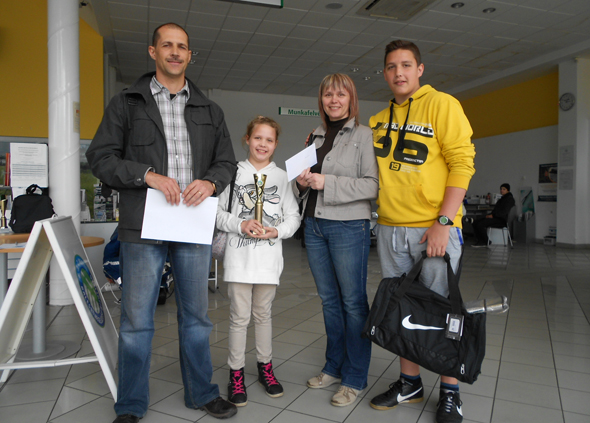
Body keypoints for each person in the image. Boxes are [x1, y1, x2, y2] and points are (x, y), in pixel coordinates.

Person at [86, 23, 238, 423]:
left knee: (197, 318)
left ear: (190, 55)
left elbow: (227, 162)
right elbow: (100, 158)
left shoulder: (209, 109)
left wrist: (211, 181)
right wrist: (146, 175)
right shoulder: (127, 103)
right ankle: (130, 404)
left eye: (182, 47)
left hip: (192, 224)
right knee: (137, 321)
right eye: (167, 45)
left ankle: (202, 393)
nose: (175, 52)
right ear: (153, 52)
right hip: (143, 225)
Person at [369, 40, 475, 423]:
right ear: (385, 73)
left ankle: (450, 392)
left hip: (433, 229)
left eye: (406, 65)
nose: (399, 72)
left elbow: (462, 163)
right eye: (391, 66)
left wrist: (444, 222)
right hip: (390, 228)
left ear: (420, 69)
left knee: (443, 311)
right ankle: (410, 383)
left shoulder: (442, 105)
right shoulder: (377, 120)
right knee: (402, 311)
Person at [294, 73, 378, 407]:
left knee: (353, 303)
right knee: (329, 301)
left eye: (341, 94)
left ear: (351, 99)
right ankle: (333, 366)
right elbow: (303, 184)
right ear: (322, 100)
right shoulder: (314, 136)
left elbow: (371, 185)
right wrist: (301, 183)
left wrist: (327, 182)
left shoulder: (364, 135)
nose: (334, 100)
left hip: (348, 225)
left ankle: (354, 377)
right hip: (314, 224)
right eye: (328, 94)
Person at [216, 116, 300, 407]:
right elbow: (217, 213)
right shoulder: (232, 173)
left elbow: (294, 217)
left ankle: (265, 367)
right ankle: (236, 373)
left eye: (269, 140)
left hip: (268, 261)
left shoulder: (282, 178)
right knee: (239, 318)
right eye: (257, 138)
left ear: (276, 144)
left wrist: (277, 231)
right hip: (239, 258)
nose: (262, 144)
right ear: (247, 139)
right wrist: (241, 224)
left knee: (263, 315)